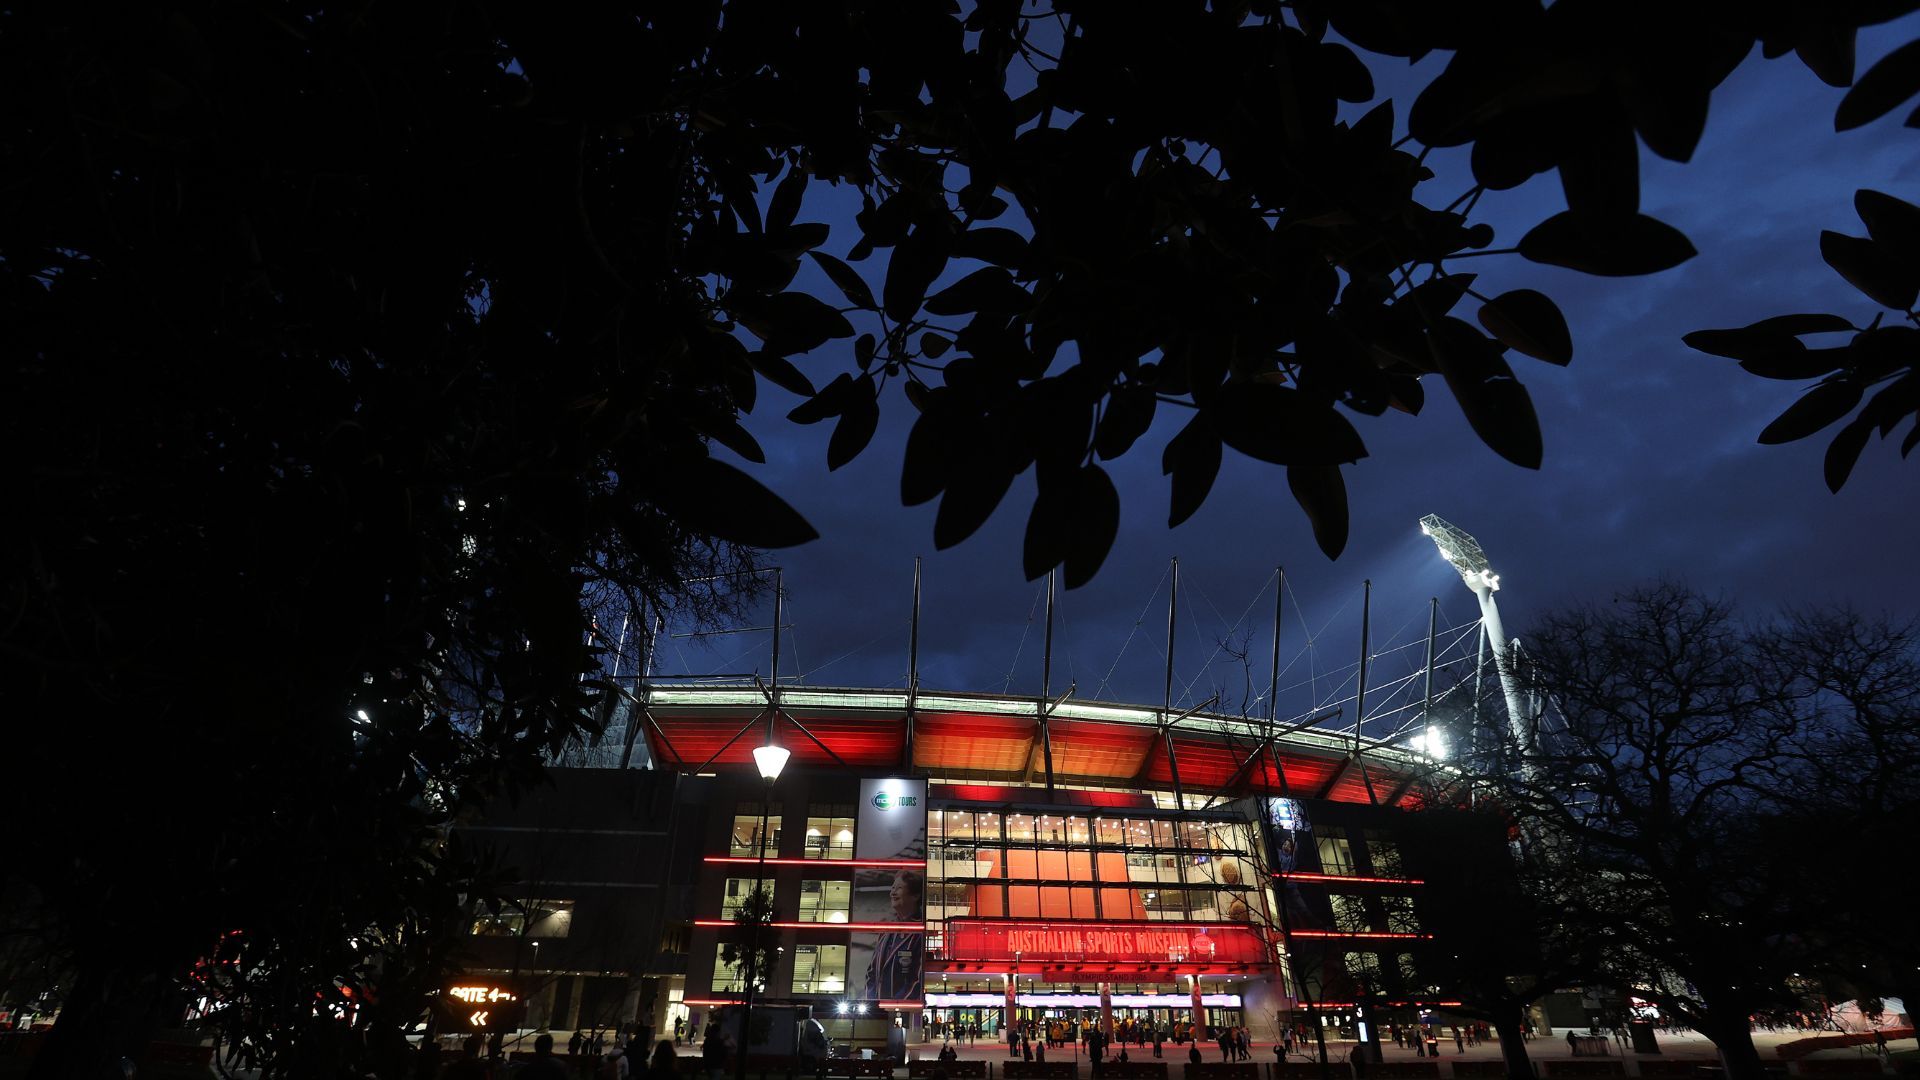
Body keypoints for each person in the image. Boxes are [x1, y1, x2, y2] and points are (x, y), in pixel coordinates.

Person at [864, 871, 926, 1000]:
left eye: (899, 888)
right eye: (892, 888)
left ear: (915, 895)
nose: (892, 893)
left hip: (902, 1009)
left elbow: (917, 979)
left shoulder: (920, 933)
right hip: (878, 1007)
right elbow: (871, 972)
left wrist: (897, 1004)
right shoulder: (886, 930)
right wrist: (871, 1000)